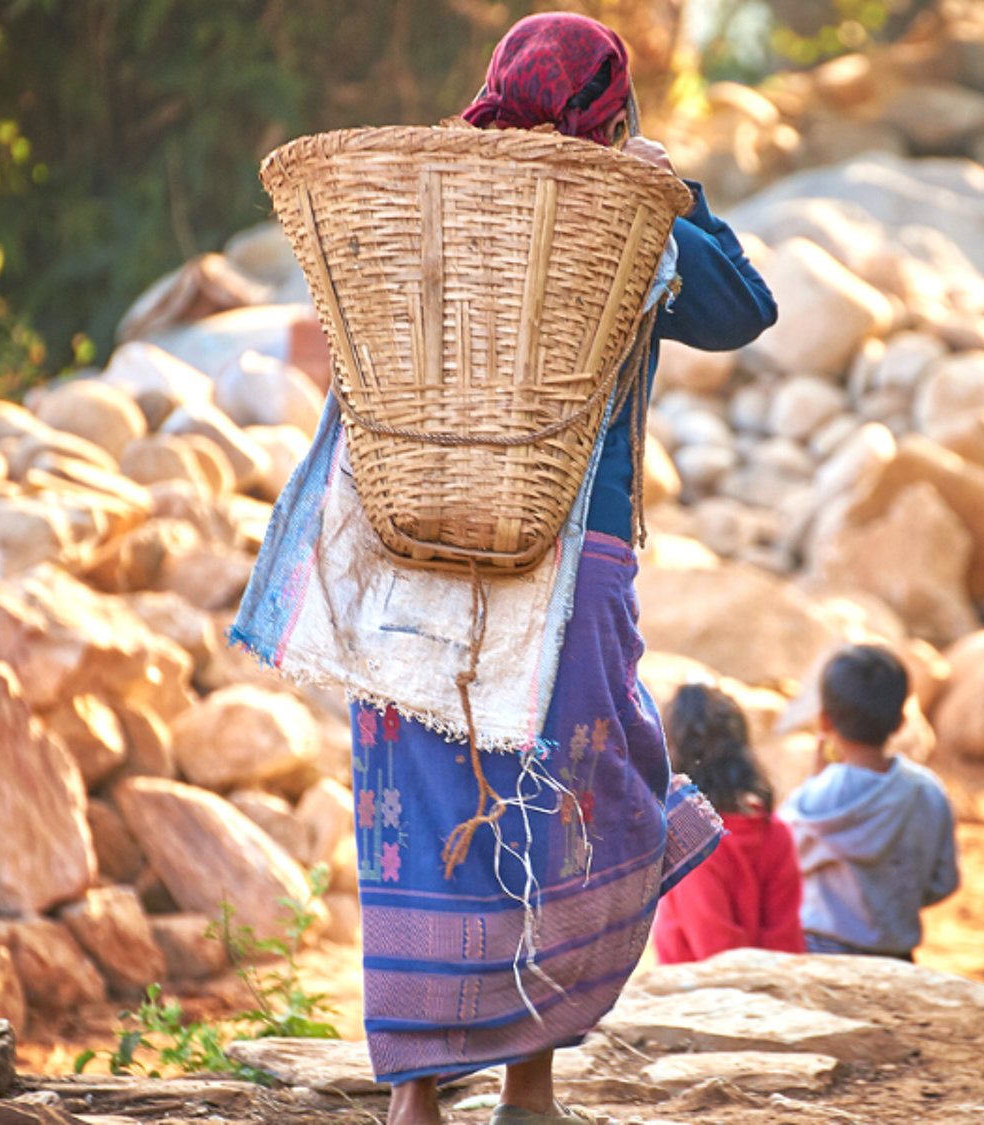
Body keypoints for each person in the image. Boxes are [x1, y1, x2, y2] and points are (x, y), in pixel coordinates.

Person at [344, 15, 779, 1125]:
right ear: (610, 107)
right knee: (568, 801)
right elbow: (743, 310)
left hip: (413, 556)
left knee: (422, 806)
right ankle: (527, 1087)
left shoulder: (423, 195)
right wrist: (673, 189)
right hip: (566, 559)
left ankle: (416, 1095)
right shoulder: (616, 218)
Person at [781, 644, 961, 961]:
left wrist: (816, 780)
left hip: (819, 951)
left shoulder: (812, 798)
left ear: (824, 721)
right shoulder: (927, 791)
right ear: (901, 721)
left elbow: (785, 862)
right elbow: (943, 882)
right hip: (895, 956)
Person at [652, 684, 805, 963]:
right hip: (778, 995)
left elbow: (718, 959)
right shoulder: (776, 832)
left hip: (698, 1001)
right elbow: (787, 944)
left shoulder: (693, 846)